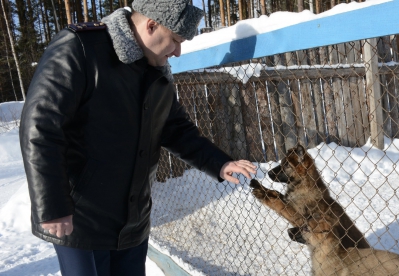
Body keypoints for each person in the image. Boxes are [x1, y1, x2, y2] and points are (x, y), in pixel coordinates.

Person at [19, 0, 256, 275]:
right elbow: (41, 126)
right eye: (176, 41)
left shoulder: (156, 70)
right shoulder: (80, 47)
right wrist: (53, 204)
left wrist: (220, 163)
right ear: (151, 26)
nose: (179, 52)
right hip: (80, 220)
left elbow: (176, 129)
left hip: (132, 222)